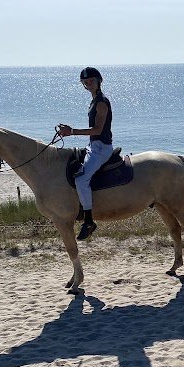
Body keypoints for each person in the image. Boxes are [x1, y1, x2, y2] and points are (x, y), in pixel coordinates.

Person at [57, 67, 113, 240]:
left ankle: (89, 220)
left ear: (98, 81)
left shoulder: (101, 102)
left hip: (101, 149)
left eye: (91, 81)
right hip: (93, 146)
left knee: (81, 180)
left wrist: (71, 131)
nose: (88, 84)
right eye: (85, 82)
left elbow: (97, 129)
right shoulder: (94, 100)